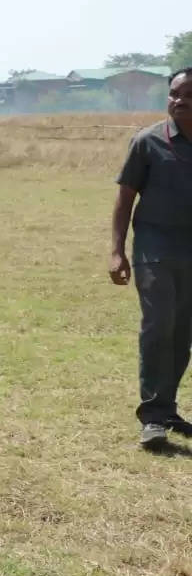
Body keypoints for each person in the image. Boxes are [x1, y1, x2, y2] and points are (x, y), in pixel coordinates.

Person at [110, 68, 192, 449]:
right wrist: (117, 251)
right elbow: (125, 198)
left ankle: (168, 408)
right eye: (174, 94)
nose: (178, 100)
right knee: (158, 327)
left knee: (181, 335)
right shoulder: (147, 142)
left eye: (187, 95)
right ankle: (153, 418)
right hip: (154, 250)